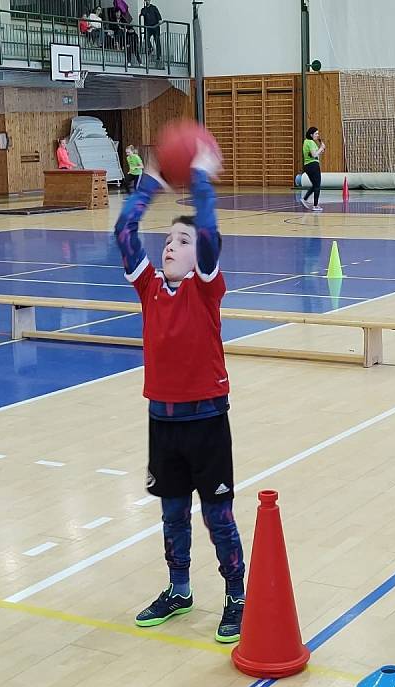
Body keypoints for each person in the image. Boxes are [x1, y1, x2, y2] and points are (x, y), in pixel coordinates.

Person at [113, 144, 246, 644]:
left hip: (207, 419)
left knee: (218, 516)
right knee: (172, 514)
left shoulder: (206, 288)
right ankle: (180, 589)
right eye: (168, 239)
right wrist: (148, 183)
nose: (170, 245)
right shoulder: (149, 288)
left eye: (182, 239)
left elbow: (209, 232)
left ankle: (236, 596)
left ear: (199, 254)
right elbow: (124, 232)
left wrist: (200, 178)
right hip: (162, 420)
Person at [301, 126, 324, 211]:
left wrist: (320, 150)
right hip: (313, 165)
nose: (317, 135)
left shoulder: (306, 142)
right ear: (311, 134)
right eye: (316, 133)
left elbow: (312, 154)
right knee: (317, 185)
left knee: (315, 185)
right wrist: (321, 148)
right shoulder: (310, 142)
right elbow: (314, 155)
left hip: (307, 166)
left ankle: (304, 199)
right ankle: (315, 206)